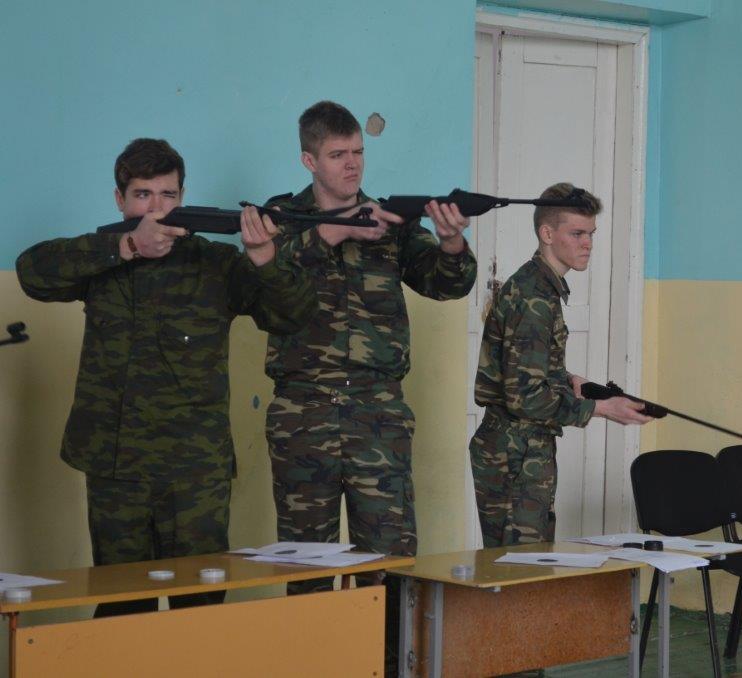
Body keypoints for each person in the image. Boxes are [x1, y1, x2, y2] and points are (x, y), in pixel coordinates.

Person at [16, 138, 316, 616]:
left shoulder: (215, 264)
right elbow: (32, 272)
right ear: (120, 199)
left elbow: (291, 315)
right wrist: (127, 245)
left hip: (195, 471)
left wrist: (264, 255)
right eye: (142, 195)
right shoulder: (102, 257)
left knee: (198, 606)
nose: (156, 209)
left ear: (183, 196)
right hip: (115, 465)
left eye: (168, 195)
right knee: (120, 605)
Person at [263, 101, 476, 670]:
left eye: (358, 152)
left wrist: (451, 243)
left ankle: (386, 666)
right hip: (303, 413)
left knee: (387, 562)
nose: (352, 164)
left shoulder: (391, 222)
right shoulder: (281, 217)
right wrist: (334, 231)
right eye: (338, 155)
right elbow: (263, 276)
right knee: (306, 564)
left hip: (377, 415)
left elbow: (446, 283)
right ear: (309, 160)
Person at [470, 182, 652, 548]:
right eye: (577, 233)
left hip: (521, 447)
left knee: (527, 561)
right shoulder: (534, 298)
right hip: (515, 450)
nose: (587, 244)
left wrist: (565, 379)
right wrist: (601, 408)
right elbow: (525, 397)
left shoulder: (539, 287)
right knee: (519, 567)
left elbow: (521, 365)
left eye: (591, 234)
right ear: (547, 234)